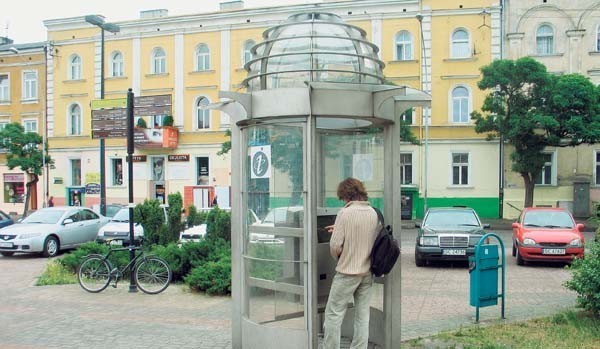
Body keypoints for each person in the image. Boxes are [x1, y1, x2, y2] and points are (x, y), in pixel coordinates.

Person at [323, 177, 379, 349]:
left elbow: (335, 246)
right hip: (367, 273)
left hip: (347, 273)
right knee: (362, 316)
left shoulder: (344, 213)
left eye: (342, 198)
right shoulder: (372, 213)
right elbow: (367, 237)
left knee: (333, 314)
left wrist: (340, 257)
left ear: (346, 196)